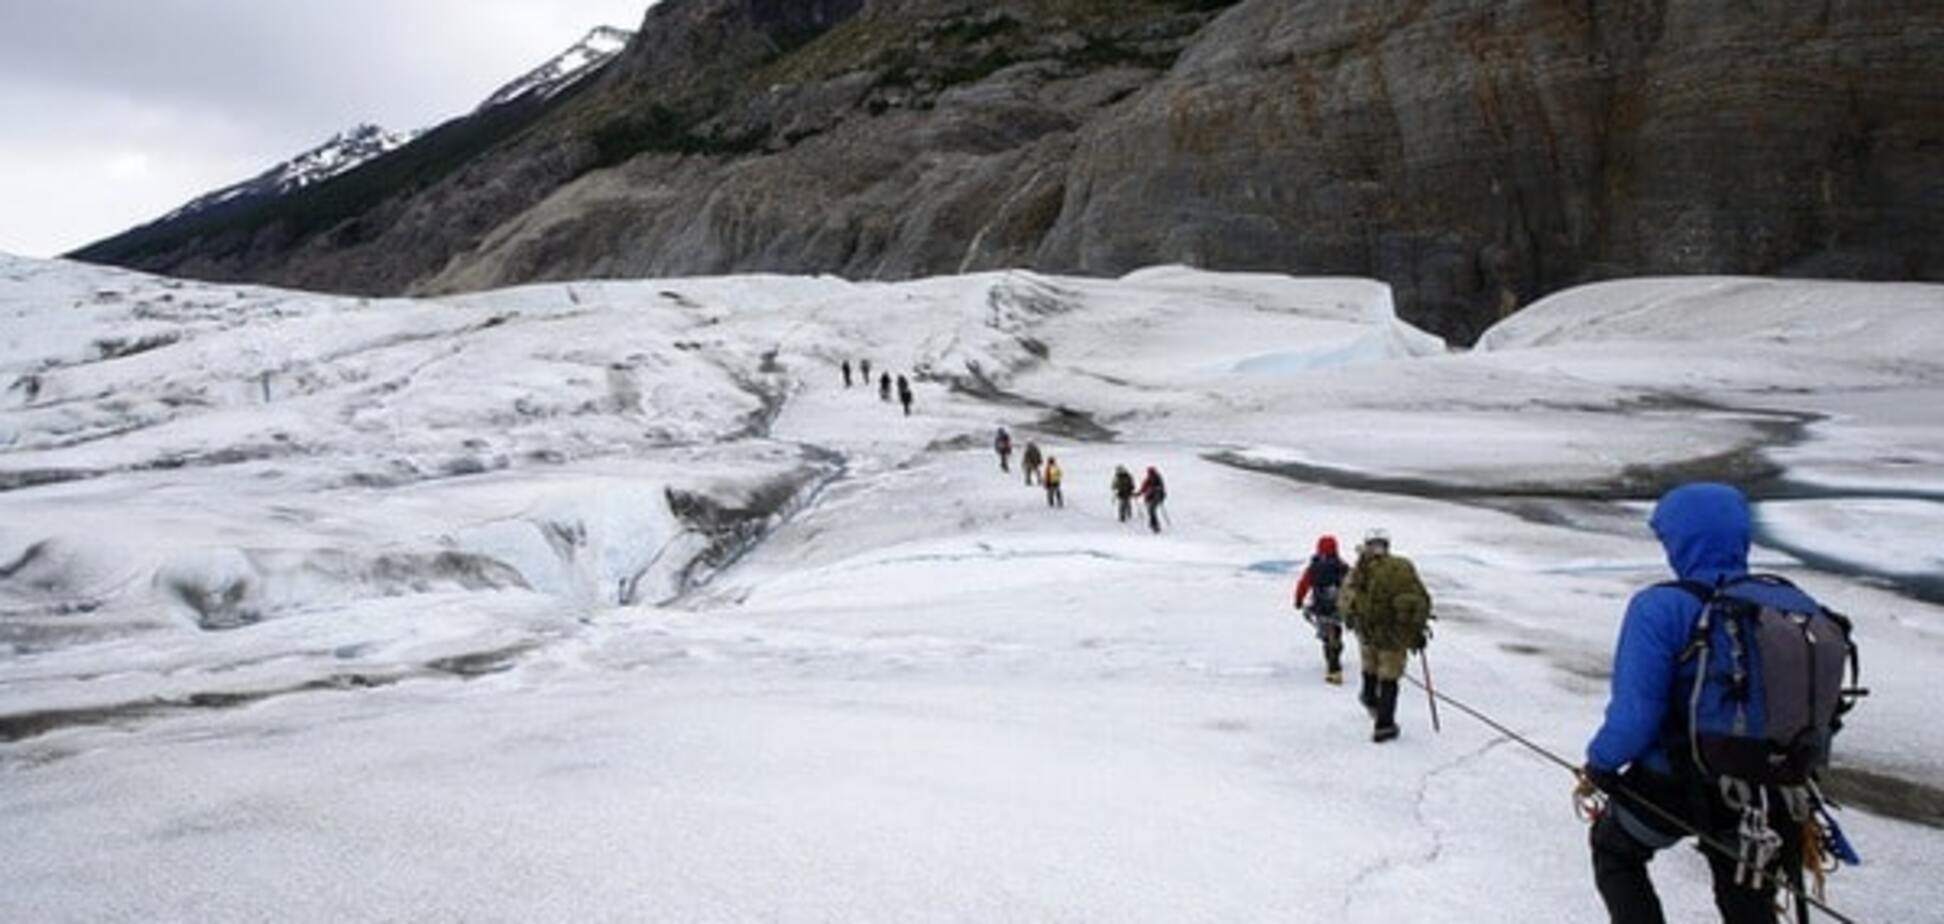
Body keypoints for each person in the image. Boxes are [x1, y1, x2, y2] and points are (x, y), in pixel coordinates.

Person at [1578, 483, 1819, 923]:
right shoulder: (1791, 606)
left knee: (1615, 851)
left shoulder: (1661, 607)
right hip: (1769, 788)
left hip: (1675, 781)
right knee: (1745, 889)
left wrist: (1601, 764)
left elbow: (1636, 716)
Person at [1343, 529, 1431, 743]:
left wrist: (1350, 618)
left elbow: (1347, 597)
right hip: (1394, 634)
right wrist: (1417, 630)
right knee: (1390, 677)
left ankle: (1370, 697)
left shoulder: (1359, 569)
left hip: (1367, 631)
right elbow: (1421, 598)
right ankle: (1384, 725)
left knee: (1370, 666)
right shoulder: (1402, 567)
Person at [1294, 534, 1351, 684]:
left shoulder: (1313, 567)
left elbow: (1303, 584)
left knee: (1326, 635)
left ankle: (1332, 664)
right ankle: (1335, 659)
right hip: (1338, 606)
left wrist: (1298, 601)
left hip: (1320, 606)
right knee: (1336, 633)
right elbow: (1353, 584)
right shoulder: (1342, 566)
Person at [1135, 466, 1166, 533]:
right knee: (1150, 510)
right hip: (1151, 497)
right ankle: (1153, 523)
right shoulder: (1149, 479)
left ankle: (1155, 525)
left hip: (1156, 497)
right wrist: (1138, 494)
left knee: (1151, 510)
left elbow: (1160, 488)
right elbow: (1143, 488)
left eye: (1151, 473)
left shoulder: (1158, 479)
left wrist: (1153, 491)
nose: (1150, 474)